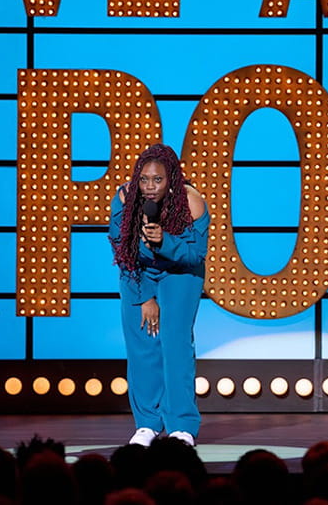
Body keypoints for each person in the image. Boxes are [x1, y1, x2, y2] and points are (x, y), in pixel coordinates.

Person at [109, 143, 209, 448]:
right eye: (144, 180)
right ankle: (147, 424)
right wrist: (144, 298)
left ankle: (182, 425)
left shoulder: (192, 202)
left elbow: (195, 255)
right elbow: (122, 253)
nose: (150, 188)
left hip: (180, 273)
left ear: (172, 180)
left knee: (175, 342)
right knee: (141, 343)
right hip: (138, 271)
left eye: (158, 180)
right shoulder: (125, 199)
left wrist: (164, 241)